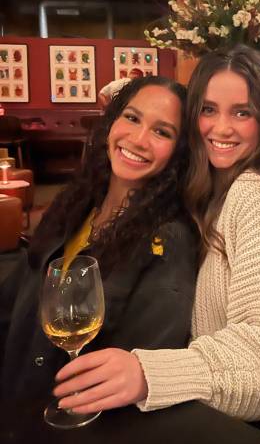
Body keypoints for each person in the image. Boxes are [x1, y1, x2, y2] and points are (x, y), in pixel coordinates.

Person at [52, 46, 260, 422]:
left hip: (248, 428)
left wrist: (149, 374)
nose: (221, 128)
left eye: (242, 113)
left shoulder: (259, 197)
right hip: (214, 413)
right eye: (208, 110)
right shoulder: (210, 186)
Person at [1, 76, 197, 400]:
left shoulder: (168, 242)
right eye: (132, 118)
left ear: (179, 152)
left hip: (68, 414)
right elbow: (12, 301)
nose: (138, 139)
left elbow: (141, 362)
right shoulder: (75, 204)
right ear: (112, 121)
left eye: (162, 132)